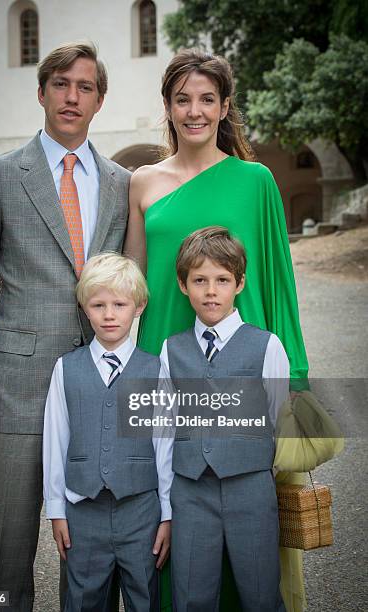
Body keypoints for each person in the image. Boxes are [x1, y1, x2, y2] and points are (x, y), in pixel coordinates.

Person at [0, 42, 130, 611]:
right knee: (6, 544)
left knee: (99, 543)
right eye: (61, 85)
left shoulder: (123, 183)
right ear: (43, 91)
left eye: (86, 87)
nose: (72, 97)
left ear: (99, 100)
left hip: (100, 388)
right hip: (17, 388)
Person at [124, 48, 309, 611]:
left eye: (208, 99)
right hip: (163, 363)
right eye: (183, 99)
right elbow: (133, 287)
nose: (195, 111)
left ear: (226, 106)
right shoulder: (142, 183)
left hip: (239, 368)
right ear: (168, 107)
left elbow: (277, 279)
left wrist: (294, 379)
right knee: (169, 513)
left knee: (244, 502)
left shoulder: (256, 181)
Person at [159, 226, 288, 611]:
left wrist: (255, 470)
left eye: (222, 280)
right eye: (199, 280)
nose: (210, 291)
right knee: (190, 595)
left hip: (251, 490)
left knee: (261, 592)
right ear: (183, 285)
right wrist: (167, 503)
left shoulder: (267, 345)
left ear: (240, 283)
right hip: (190, 491)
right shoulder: (171, 349)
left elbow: (277, 419)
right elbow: (165, 429)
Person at [43, 252, 172, 611]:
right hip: (83, 512)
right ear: (85, 308)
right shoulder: (66, 368)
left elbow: (165, 444)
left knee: (145, 598)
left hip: (141, 513)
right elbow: (56, 442)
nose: (109, 314)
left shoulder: (155, 369)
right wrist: (56, 509)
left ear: (139, 307)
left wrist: (167, 513)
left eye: (119, 304)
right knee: (82, 599)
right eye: (98, 304)